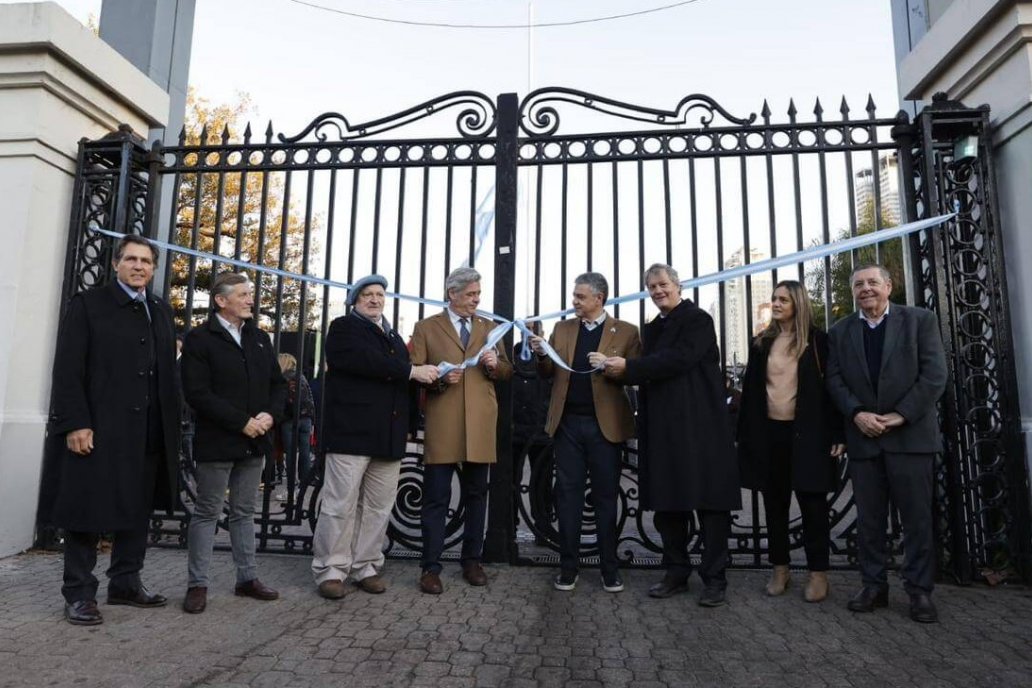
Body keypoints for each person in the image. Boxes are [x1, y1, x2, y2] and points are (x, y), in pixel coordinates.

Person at [43, 234, 180, 626]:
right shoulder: (89, 305)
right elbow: (68, 369)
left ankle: (124, 583)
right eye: (132, 259)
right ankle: (79, 594)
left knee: (136, 510)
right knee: (86, 509)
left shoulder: (161, 310)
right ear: (116, 264)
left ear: (154, 269)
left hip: (149, 431)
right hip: (100, 428)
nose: (139, 267)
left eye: (147, 262)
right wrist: (76, 422)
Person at [604, 263, 740, 607]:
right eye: (651, 287)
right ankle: (676, 571)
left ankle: (714, 579)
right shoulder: (651, 329)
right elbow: (643, 369)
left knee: (710, 505)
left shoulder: (698, 321)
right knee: (668, 503)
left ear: (678, 285)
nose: (657, 291)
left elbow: (680, 359)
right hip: (663, 428)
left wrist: (630, 368)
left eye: (662, 284)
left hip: (701, 425)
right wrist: (616, 369)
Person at [826, 264, 947, 623]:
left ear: (889, 286)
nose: (866, 289)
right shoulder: (840, 332)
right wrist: (857, 414)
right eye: (859, 284)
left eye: (872, 282)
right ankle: (873, 586)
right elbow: (833, 380)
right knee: (870, 521)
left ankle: (919, 591)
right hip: (864, 440)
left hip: (910, 438)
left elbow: (934, 375)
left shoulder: (920, 321)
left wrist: (900, 415)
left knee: (917, 520)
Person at [311, 275, 439, 599]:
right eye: (367, 294)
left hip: (388, 437)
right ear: (355, 300)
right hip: (351, 434)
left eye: (379, 294)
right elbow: (364, 362)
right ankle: (331, 570)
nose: (374, 299)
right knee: (340, 505)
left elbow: (402, 385)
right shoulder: (343, 328)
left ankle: (365, 566)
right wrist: (411, 371)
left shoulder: (394, 337)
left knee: (378, 508)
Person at [180, 271, 287, 614]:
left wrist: (269, 416)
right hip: (218, 442)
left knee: (244, 513)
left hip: (256, 442)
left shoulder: (259, 338)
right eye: (242, 294)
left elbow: (278, 385)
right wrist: (242, 422)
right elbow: (197, 393)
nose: (249, 300)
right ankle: (197, 584)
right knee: (207, 512)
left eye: (250, 294)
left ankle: (247, 579)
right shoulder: (200, 339)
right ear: (221, 300)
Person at [530, 272, 641, 592]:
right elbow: (547, 373)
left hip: (606, 426)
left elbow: (635, 374)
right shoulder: (562, 329)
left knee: (606, 497)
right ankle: (568, 567)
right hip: (567, 426)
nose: (574, 301)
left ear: (599, 299)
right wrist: (541, 354)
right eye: (574, 296)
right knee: (567, 497)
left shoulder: (628, 332)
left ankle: (610, 568)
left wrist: (612, 365)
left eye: (580, 297)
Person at [737, 280, 845, 602]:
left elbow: (833, 389)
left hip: (809, 435)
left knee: (813, 506)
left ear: (798, 303)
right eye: (774, 299)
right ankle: (780, 568)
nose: (777, 303)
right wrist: (743, 436)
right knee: (775, 505)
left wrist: (838, 432)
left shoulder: (818, 341)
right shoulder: (762, 343)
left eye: (783, 299)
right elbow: (750, 395)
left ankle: (817, 573)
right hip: (771, 435)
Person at [410, 267, 513, 594]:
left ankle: (472, 561)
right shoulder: (426, 328)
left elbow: (509, 370)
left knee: (476, 495)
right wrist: (439, 380)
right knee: (436, 498)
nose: (476, 299)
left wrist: (496, 365)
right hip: (444, 423)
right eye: (470, 294)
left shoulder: (490, 327)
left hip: (481, 425)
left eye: (477, 294)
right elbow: (414, 373)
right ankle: (430, 567)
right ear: (451, 294)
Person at [511, 320, 553, 543]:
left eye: (534, 329)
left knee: (542, 482)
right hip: (514, 427)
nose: (530, 334)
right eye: (526, 329)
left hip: (541, 428)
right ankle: (509, 526)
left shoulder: (548, 355)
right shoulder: (512, 353)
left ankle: (543, 527)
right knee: (510, 481)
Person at [277, 353, 316, 487]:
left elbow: (281, 400)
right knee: (305, 451)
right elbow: (310, 399)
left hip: (289, 419)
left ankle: (291, 485)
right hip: (306, 418)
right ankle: (304, 481)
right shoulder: (302, 377)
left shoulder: (283, 378)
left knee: (290, 453)